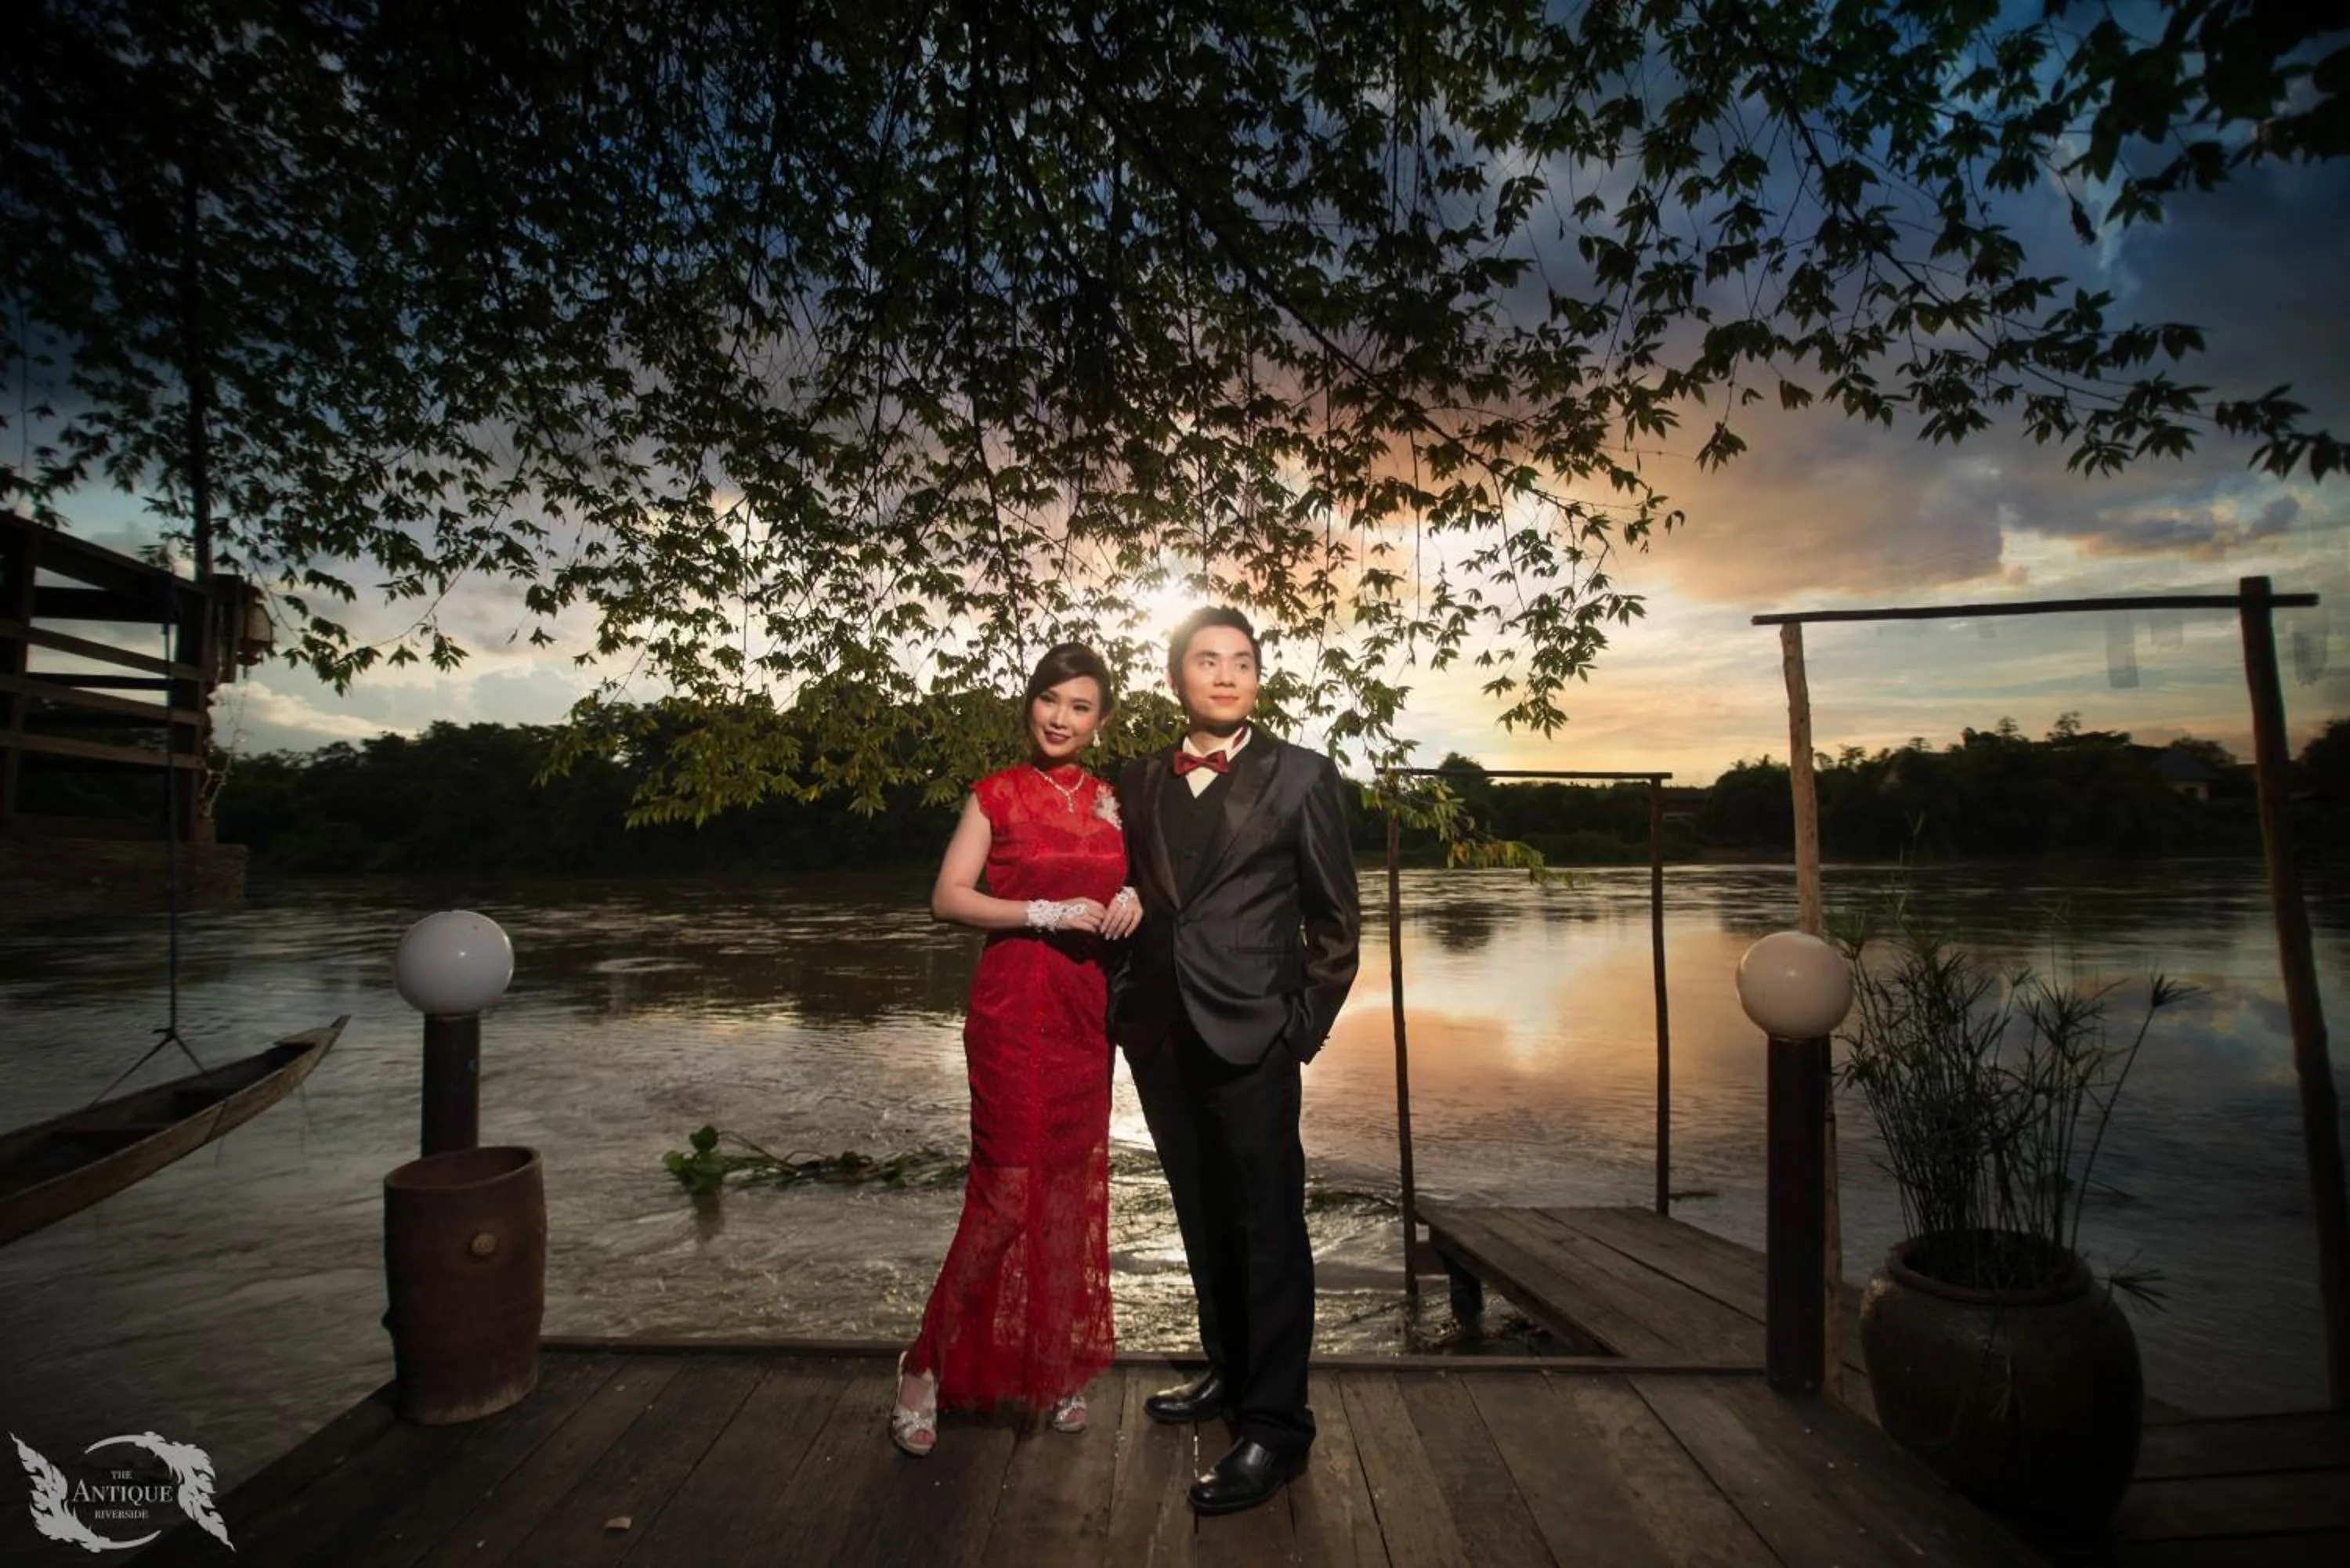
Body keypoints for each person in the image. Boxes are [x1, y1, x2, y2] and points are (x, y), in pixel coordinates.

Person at [1109, 606, 1361, 1516]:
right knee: (1200, 1210)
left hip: (1257, 1031)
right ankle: (1228, 1367)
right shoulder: (1136, 777)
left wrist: (1301, 1027)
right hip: (1160, 1032)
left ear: (1258, 678)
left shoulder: (1303, 775)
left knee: (1267, 1224)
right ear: (1177, 677)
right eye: (1207, 660)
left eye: (1242, 661)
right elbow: (1125, 889)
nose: (1226, 674)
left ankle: (1277, 1427)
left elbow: (1337, 924)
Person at [889, 643, 1141, 1456]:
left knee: (1069, 1191)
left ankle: (1053, 1365)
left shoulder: (1116, 801)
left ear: (1101, 722)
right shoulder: (995, 793)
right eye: (1050, 700)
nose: (1060, 718)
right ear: (1029, 703)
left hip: (1084, 1013)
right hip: (1011, 1010)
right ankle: (922, 1366)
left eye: (1079, 707)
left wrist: (1135, 892)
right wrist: (1040, 910)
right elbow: (946, 898)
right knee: (1002, 1198)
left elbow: (1153, 879)